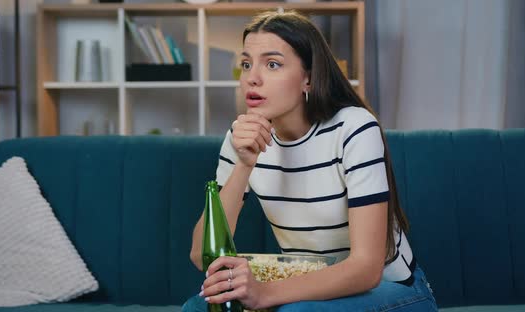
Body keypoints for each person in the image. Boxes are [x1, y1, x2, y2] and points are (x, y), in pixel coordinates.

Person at [182, 11, 437, 312]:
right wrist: (244, 164)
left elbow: (366, 269)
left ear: (309, 78)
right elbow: (201, 254)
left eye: (273, 64)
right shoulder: (240, 138)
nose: (252, 77)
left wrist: (264, 293)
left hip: (393, 289)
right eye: (247, 64)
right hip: (309, 287)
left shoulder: (353, 128)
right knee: (197, 308)